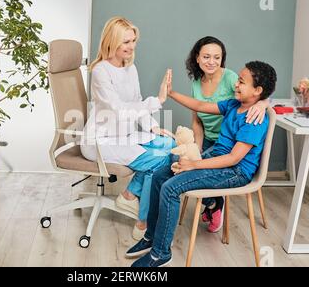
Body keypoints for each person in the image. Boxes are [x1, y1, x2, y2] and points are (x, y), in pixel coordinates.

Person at [127, 61, 277, 267]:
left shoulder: (254, 119)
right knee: (162, 173)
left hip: (235, 171)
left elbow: (234, 158)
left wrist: (193, 165)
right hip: (217, 159)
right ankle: (152, 236)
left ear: (257, 91)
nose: (236, 84)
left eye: (242, 82)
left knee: (171, 188)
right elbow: (199, 106)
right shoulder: (234, 105)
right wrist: (171, 93)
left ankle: (161, 253)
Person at [80, 17, 175, 240]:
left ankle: (129, 195)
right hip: (100, 141)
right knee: (159, 161)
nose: (131, 46)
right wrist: (159, 100)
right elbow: (120, 110)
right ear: (112, 42)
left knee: (171, 146)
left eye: (133, 41)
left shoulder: (130, 68)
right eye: (125, 42)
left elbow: (137, 100)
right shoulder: (101, 72)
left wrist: (153, 127)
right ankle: (144, 221)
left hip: (125, 134)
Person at [183, 36, 270, 231]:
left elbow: (255, 95)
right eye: (206, 56)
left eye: (217, 57)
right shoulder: (196, 82)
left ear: (223, 58)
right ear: (197, 58)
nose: (211, 62)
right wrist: (197, 146)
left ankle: (215, 204)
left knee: (196, 170)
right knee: (184, 164)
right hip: (208, 140)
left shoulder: (232, 79)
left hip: (229, 144)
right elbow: (197, 117)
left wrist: (264, 104)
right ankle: (213, 203)